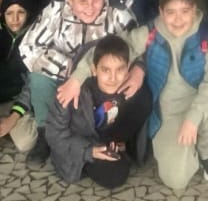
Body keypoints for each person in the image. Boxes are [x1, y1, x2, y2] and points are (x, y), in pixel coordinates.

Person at [20, 0, 137, 168]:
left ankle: (113, 136)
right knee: (38, 78)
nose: (90, 8)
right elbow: (28, 48)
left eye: (96, 0)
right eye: (83, 1)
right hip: (63, 78)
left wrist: (138, 70)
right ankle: (45, 132)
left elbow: (136, 48)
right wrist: (70, 69)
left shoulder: (118, 14)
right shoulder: (55, 12)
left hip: (102, 84)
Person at [122, 0, 208, 189]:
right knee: (176, 181)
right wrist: (78, 76)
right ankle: (187, 147)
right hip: (167, 112)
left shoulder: (206, 37)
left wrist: (193, 118)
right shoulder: (150, 33)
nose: (178, 19)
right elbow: (116, 49)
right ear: (161, 12)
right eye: (171, 12)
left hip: (198, 103)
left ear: (194, 9)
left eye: (185, 11)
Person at [44, 34, 153, 189]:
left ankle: (114, 150)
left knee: (144, 96)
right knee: (114, 175)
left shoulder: (129, 86)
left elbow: (150, 44)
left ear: (128, 67)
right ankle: (91, 162)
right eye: (105, 70)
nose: (113, 78)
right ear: (94, 70)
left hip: (109, 140)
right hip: (80, 146)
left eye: (120, 69)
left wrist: (140, 68)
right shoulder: (71, 92)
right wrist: (90, 151)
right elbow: (53, 134)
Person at [0, 0, 45, 155]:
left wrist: (13, 117)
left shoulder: (36, 38)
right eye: (9, 13)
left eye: (21, 12)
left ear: (29, 13)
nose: (14, 19)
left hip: (16, 101)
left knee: (26, 142)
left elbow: (31, 82)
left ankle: (8, 124)